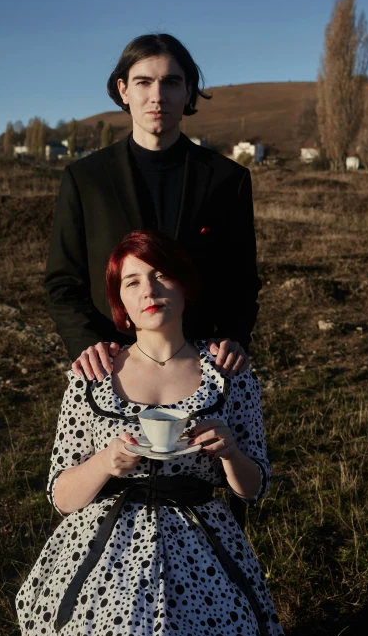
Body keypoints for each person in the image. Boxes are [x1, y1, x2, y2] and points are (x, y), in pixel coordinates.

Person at [0, 230, 308, 636]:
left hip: (203, 550)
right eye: (132, 282)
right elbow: (61, 496)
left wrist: (231, 452)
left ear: (185, 287)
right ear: (120, 302)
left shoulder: (230, 374)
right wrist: (106, 461)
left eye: (161, 276)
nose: (150, 291)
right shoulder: (92, 376)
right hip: (103, 551)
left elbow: (254, 489)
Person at [44, 33, 262, 384]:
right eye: (143, 82)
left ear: (189, 91)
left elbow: (242, 279)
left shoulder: (227, 179)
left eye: (171, 82)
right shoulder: (86, 178)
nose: (157, 96)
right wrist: (88, 343)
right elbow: (63, 281)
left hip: (202, 367)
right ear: (124, 90)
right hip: (111, 365)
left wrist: (233, 337)